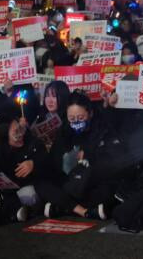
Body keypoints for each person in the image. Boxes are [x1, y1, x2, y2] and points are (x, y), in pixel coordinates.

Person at [38, 91, 127, 220]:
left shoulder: (102, 129)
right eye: (72, 119)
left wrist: (89, 157)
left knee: (109, 190)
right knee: (42, 184)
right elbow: (54, 164)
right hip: (69, 183)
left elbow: (113, 163)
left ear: (90, 113)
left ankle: (63, 207)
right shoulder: (64, 131)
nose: (76, 122)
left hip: (93, 183)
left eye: (80, 118)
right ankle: (83, 211)